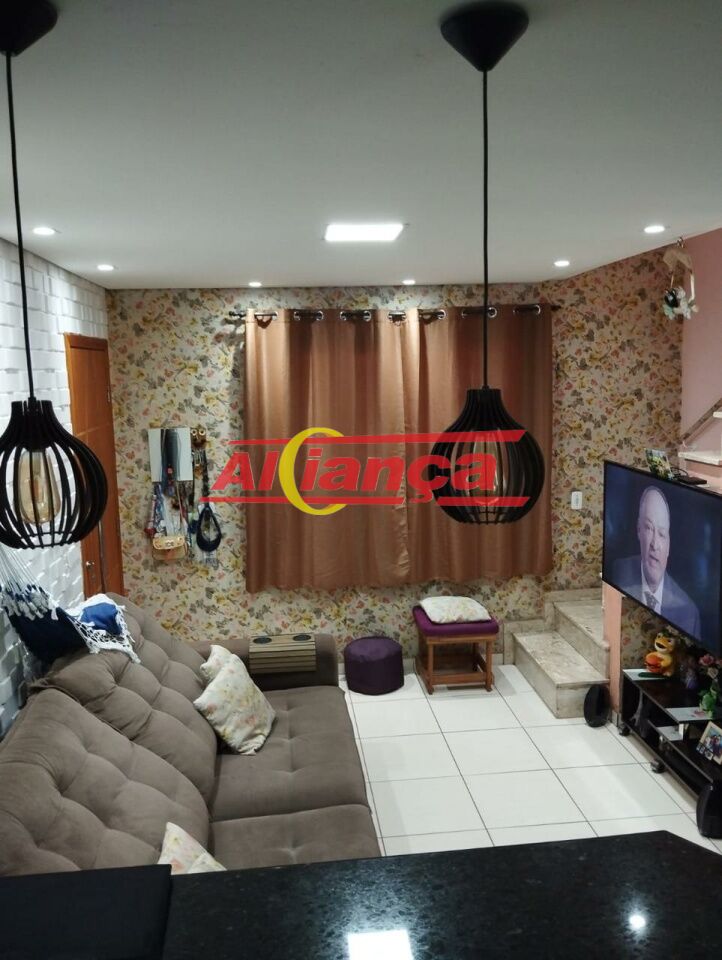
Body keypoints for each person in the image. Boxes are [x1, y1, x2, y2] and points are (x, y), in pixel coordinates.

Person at [612, 485, 701, 637]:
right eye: (649, 528)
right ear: (638, 530)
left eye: (662, 534)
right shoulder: (619, 571)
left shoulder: (688, 611)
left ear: (669, 545)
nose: (655, 544)